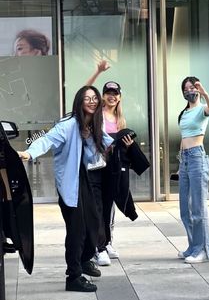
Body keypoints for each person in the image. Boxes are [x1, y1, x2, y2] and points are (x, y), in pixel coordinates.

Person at [18, 86, 113, 292]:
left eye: (94, 98)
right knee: (77, 230)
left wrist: (92, 140)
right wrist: (28, 153)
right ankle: (74, 276)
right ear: (79, 102)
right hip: (70, 183)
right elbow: (47, 139)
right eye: (86, 98)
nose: (91, 101)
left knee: (95, 224)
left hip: (84, 179)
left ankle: (85, 258)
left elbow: (92, 155)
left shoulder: (93, 125)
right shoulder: (69, 124)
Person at [86, 61, 134, 266]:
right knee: (98, 208)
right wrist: (97, 71)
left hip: (114, 169)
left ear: (119, 97)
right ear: (103, 96)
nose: (111, 96)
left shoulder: (120, 119)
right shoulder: (97, 113)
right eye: (108, 93)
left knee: (109, 207)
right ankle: (99, 247)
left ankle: (106, 241)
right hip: (97, 167)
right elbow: (83, 92)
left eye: (115, 93)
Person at [177, 76, 209, 263]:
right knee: (185, 209)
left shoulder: (202, 110)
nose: (190, 90)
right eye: (186, 88)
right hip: (184, 160)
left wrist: (204, 91)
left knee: (198, 209)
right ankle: (193, 247)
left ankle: (202, 251)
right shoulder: (184, 113)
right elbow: (183, 138)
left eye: (193, 87)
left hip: (197, 158)